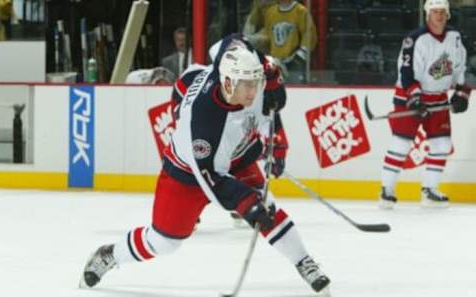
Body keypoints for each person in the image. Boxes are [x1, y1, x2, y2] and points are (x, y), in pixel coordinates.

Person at [79, 36, 331, 295]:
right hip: (188, 174)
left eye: (256, 83)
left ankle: (304, 261)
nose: (253, 92)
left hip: (235, 155)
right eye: (247, 85)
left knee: (266, 210)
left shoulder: (246, 74)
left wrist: (277, 139)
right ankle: (111, 254)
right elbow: (213, 179)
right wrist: (245, 202)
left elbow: (238, 50)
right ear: (228, 81)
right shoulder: (203, 125)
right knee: (164, 242)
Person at [379, 0, 471, 209]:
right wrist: (415, 98)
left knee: (442, 144)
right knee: (401, 144)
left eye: (442, 12)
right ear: (427, 14)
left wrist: (461, 93)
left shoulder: (454, 37)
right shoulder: (415, 39)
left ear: (447, 15)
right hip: (409, 97)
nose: (438, 16)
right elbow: (407, 71)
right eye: (435, 12)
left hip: (437, 97)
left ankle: (429, 191)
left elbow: (460, 67)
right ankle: (386, 191)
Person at [263, 0, 317, 83]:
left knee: (296, 88)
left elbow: (309, 35)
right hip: (275, 62)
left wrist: (298, 57)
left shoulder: (301, 11)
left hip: (295, 62)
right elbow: (268, 36)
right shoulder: (270, 12)